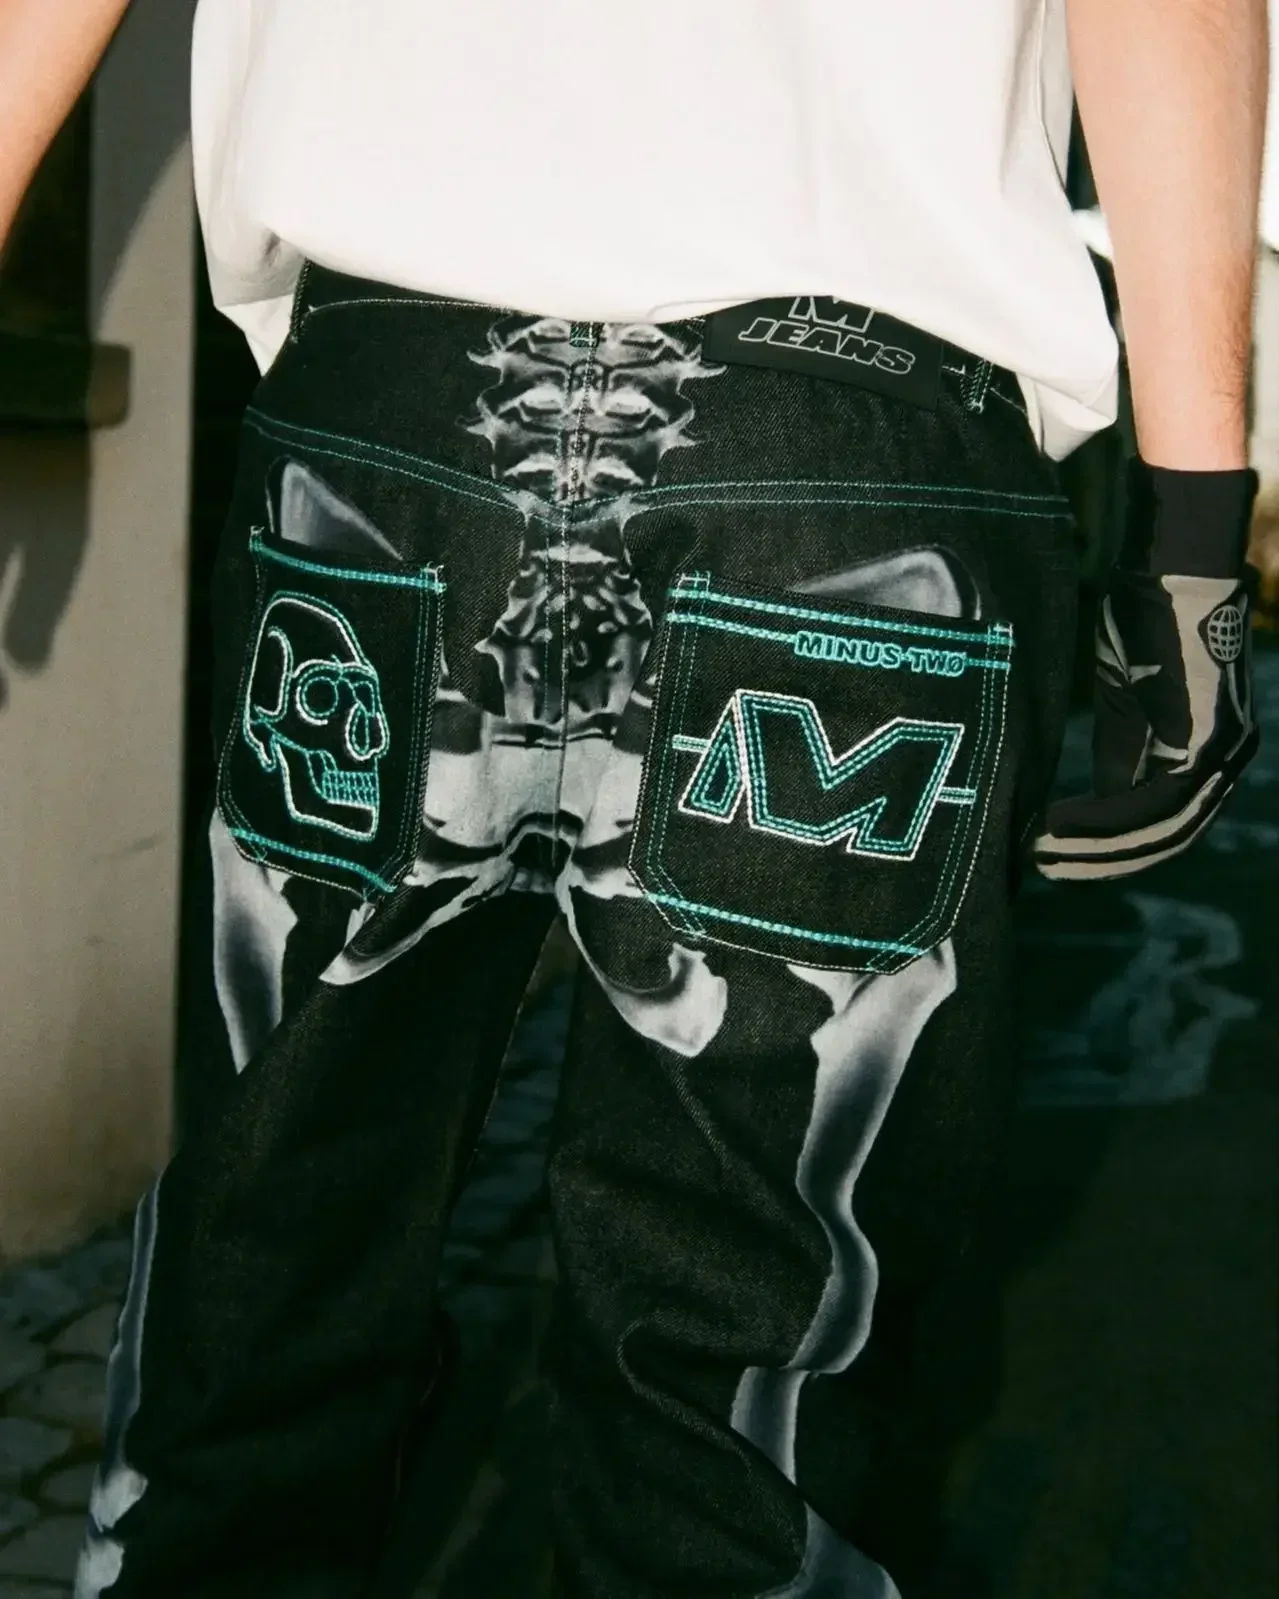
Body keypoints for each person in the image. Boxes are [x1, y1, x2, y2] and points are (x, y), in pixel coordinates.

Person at [0, 2, 1267, 1594]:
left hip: (393, 417)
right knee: (749, 1392)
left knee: (264, 1279)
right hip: (855, 443)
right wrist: (1191, 530)